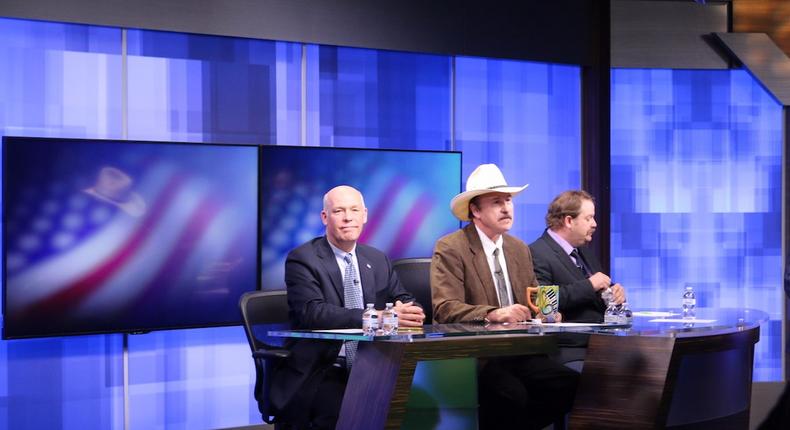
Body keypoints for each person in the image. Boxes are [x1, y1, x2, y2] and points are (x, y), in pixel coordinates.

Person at [431, 164, 579, 430]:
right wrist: (492, 313)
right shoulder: (451, 247)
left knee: (572, 385)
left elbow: (534, 299)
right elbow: (444, 308)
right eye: (496, 202)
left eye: (508, 201)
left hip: (520, 352)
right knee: (510, 395)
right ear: (475, 211)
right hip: (478, 357)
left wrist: (547, 313)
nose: (506, 208)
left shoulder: (519, 249)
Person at [271, 185, 425, 429]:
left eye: (354, 210)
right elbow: (313, 312)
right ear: (325, 217)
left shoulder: (377, 259)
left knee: (411, 411)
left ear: (364, 215)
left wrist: (410, 312)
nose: (348, 218)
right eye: (339, 211)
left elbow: (405, 300)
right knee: (341, 414)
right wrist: (377, 317)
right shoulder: (302, 259)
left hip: (375, 367)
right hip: (325, 368)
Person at [529, 190, 626, 323]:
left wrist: (614, 293)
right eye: (588, 218)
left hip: (600, 338)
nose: (594, 224)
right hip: (568, 341)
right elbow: (543, 302)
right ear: (569, 221)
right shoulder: (537, 252)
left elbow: (599, 287)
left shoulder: (584, 251)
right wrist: (590, 285)